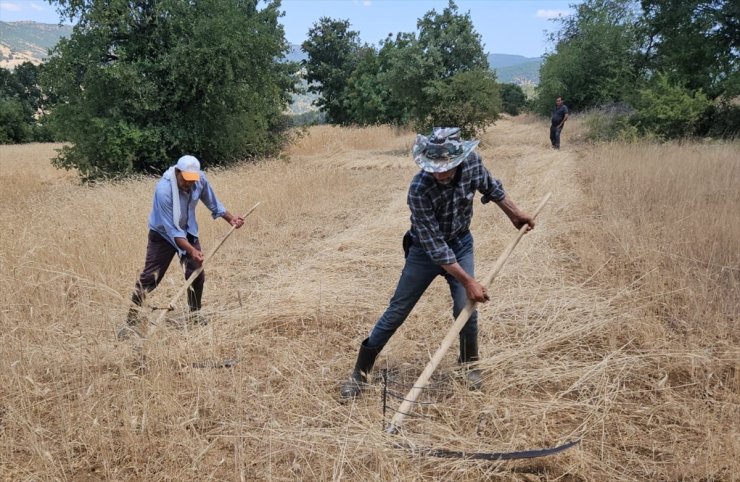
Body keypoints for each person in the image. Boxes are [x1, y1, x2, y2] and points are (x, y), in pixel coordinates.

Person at [340, 127, 535, 400]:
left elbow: (492, 187)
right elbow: (436, 248)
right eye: (435, 167)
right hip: (424, 251)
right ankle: (359, 375)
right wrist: (468, 280)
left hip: (461, 242)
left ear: (459, 159)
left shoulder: (472, 163)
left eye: (447, 167)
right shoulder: (419, 189)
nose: (441, 172)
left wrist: (515, 214)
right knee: (397, 310)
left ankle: (469, 366)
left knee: (464, 307)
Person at [117, 155, 244, 340]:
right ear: (177, 172)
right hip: (163, 235)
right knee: (149, 278)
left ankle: (194, 315)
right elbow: (173, 231)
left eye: (192, 180)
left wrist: (230, 219)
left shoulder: (199, 179)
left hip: (188, 230)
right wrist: (192, 251)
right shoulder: (164, 191)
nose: (189, 184)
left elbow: (213, 203)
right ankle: (130, 322)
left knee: (196, 273)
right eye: (185, 179)